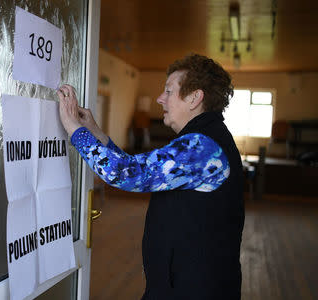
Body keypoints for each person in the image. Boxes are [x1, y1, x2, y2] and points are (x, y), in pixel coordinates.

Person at [58, 54, 244, 299]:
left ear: (195, 98)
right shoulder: (205, 139)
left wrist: (74, 129)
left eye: (168, 91)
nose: (160, 98)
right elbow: (136, 168)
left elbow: (123, 173)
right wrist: (95, 132)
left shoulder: (201, 147)